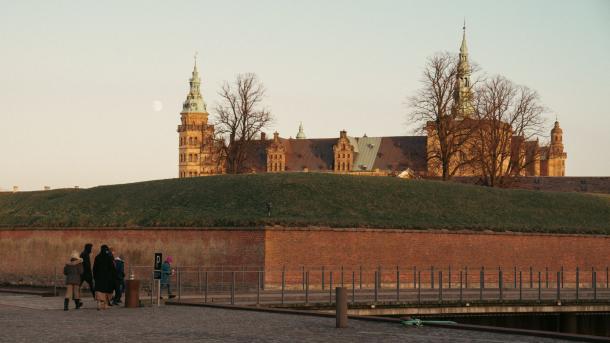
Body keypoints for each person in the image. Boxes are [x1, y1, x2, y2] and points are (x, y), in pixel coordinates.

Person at [92, 245, 116, 310]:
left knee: (99, 290)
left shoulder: (97, 257)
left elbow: (94, 268)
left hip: (99, 277)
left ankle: (99, 303)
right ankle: (105, 305)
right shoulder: (109, 257)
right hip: (107, 277)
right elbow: (112, 268)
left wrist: (94, 276)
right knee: (106, 291)